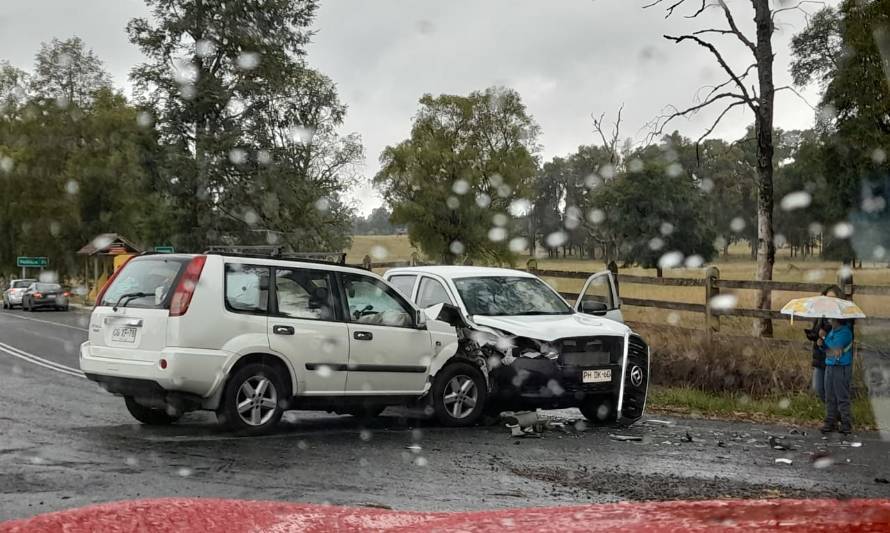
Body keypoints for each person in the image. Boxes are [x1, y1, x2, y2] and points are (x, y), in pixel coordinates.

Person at [804, 285, 842, 402]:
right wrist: (814, 336)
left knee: (831, 390)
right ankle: (831, 413)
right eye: (827, 298)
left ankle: (835, 414)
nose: (830, 301)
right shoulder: (820, 315)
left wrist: (825, 336)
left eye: (833, 298)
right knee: (818, 388)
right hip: (820, 358)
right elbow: (817, 332)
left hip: (833, 359)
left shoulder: (842, 318)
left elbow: (840, 339)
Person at [821, 317, 855, 435]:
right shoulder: (832, 331)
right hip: (830, 365)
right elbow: (828, 350)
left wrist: (824, 338)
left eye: (832, 319)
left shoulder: (845, 333)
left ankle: (846, 422)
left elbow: (836, 347)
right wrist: (822, 344)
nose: (830, 321)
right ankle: (831, 420)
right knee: (829, 395)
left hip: (841, 367)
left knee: (842, 396)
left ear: (838, 320)